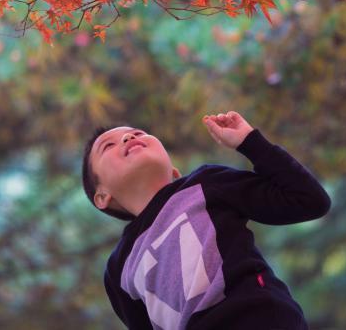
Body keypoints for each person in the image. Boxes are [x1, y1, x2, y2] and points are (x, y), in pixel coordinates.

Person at [81, 110, 331, 329]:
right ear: (102, 196)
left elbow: (308, 200)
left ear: (174, 172)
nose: (129, 138)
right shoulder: (119, 269)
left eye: (137, 132)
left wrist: (250, 142)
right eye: (108, 146)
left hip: (260, 318)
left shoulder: (205, 184)